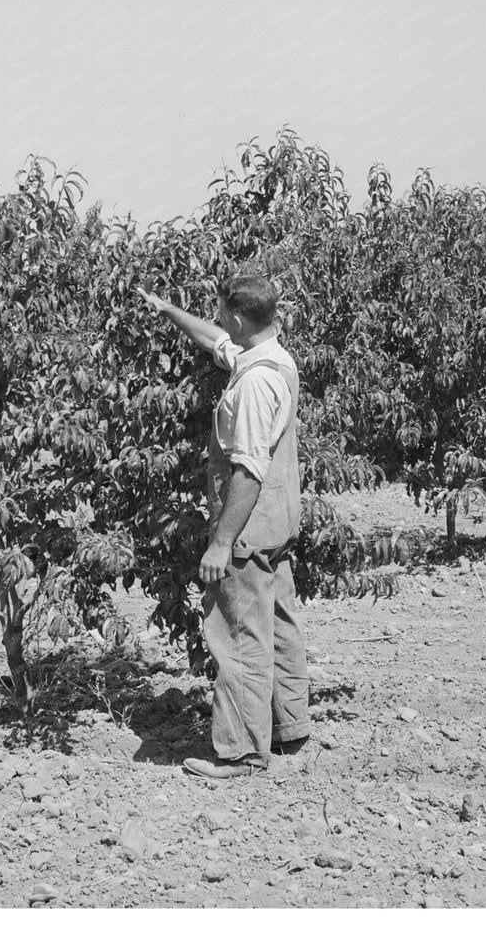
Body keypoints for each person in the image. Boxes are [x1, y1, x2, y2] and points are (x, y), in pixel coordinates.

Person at [138, 272, 311, 778]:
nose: (219, 324)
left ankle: (239, 752)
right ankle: (288, 728)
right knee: (279, 622)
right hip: (278, 520)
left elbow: (249, 469)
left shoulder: (256, 383)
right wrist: (168, 309)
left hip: (248, 526)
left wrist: (221, 542)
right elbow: (216, 341)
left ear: (238, 317)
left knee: (237, 633)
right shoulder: (271, 356)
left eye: (222, 315)